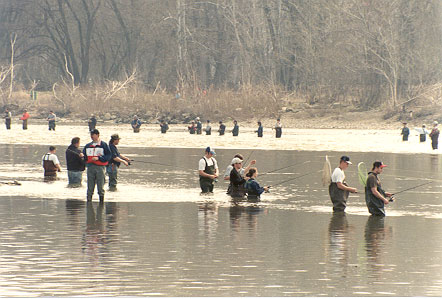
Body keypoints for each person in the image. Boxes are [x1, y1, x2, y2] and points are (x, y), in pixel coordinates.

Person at [83, 129, 112, 201]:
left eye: (93, 135)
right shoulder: (88, 146)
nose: (91, 136)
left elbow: (108, 156)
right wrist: (83, 157)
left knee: (100, 185)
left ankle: (101, 200)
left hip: (100, 167)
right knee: (90, 186)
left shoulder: (103, 145)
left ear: (97, 135)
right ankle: (89, 200)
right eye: (91, 135)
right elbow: (84, 157)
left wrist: (99, 158)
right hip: (90, 167)